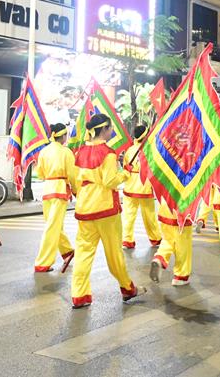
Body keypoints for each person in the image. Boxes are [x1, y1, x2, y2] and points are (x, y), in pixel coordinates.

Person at [70, 113, 143, 309]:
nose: (112, 131)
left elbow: (75, 182)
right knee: (114, 253)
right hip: (105, 209)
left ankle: (79, 295)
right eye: (110, 128)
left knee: (84, 253)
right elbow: (110, 181)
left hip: (84, 208)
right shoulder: (109, 154)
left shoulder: (80, 152)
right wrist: (126, 173)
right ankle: (127, 288)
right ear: (104, 130)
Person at [32, 123, 79, 273]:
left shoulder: (44, 151)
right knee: (53, 226)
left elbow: (40, 173)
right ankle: (43, 262)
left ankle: (67, 252)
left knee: (53, 224)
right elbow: (72, 175)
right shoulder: (66, 152)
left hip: (47, 190)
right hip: (59, 190)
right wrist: (77, 191)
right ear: (64, 136)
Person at [121, 125, 162, 250]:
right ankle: (155, 238)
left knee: (128, 215)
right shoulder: (150, 150)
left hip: (130, 187)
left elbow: (125, 168)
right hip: (145, 187)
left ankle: (127, 240)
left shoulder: (130, 151)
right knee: (149, 215)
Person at [151, 200, 194, 286]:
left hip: (166, 210)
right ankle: (180, 277)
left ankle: (160, 258)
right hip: (183, 213)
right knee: (183, 247)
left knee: (167, 240)